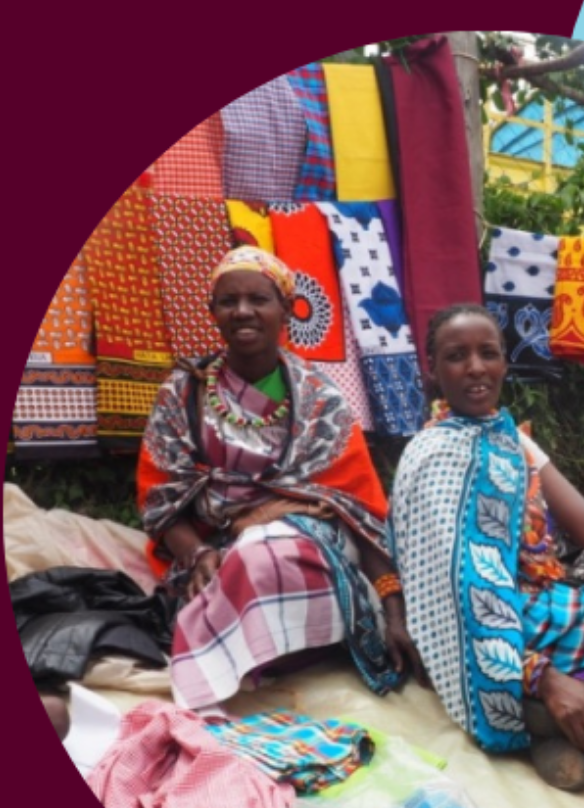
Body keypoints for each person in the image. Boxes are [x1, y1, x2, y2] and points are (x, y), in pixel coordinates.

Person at [389, 304, 584, 791]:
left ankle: (560, 723)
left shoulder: (510, 439)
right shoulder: (432, 455)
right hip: (481, 633)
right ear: (432, 370)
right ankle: (548, 703)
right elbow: (459, 589)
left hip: (539, 604)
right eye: (456, 356)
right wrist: (540, 675)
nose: (475, 368)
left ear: (504, 363)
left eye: (488, 353)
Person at [138, 246, 414, 712]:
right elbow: (160, 501)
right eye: (228, 301)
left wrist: (393, 611)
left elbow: (360, 509)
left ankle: (240, 664)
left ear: (286, 309)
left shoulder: (321, 399)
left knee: (259, 558)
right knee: (238, 563)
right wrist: (197, 552)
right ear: (213, 312)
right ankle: (262, 654)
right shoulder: (182, 392)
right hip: (215, 542)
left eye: (258, 299)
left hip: (308, 543)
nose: (242, 312)